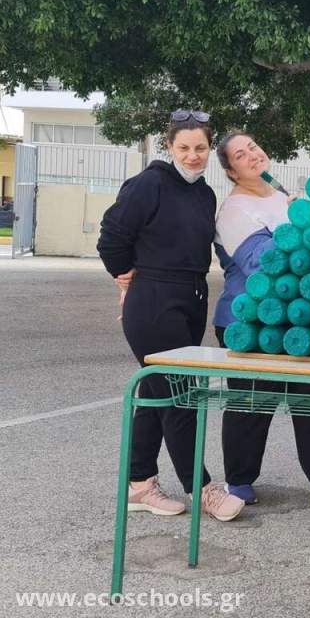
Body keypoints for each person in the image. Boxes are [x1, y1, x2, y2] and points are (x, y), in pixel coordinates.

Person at [97, 110, 244, 522]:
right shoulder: (149, 184)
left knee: (156, 392)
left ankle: (140, 484)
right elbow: (112, 236)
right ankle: (203, 489)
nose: (193, 155)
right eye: (184, 148)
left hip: (190, 299)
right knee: (180, 395)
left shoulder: (204, 194)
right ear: (169, 147)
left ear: (209, 148)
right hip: (153, 301)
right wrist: (124, 275)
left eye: (200, 147)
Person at [212, 130, 310, 508]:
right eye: (240, 155)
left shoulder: (285, 198)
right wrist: (301, 226)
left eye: (253, 147)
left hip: (301, 317)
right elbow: (262, 263)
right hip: (250, 320)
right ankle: (239, 479)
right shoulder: (234, 210)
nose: (252, 155)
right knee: (252, 401)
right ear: (232, 172)